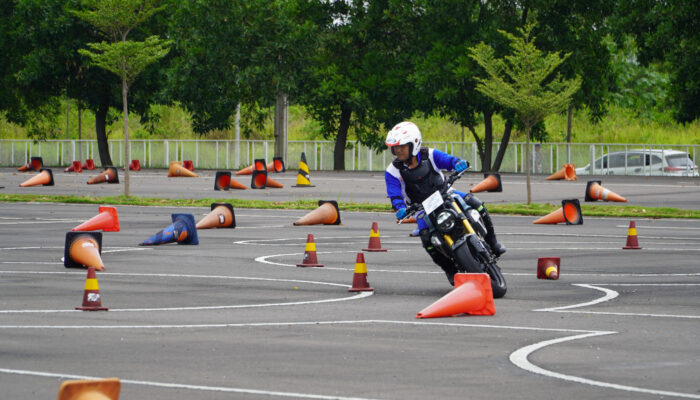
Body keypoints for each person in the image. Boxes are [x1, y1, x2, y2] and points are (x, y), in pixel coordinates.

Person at [384, 121, 505, 285]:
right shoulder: (392, 171)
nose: (398, 150)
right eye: (395, 147)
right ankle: (450, 269)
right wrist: (400, 209)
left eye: (402, 146)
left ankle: (493, 242)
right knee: (426, 239)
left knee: (475, 203)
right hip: (421, 208)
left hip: (445, 194)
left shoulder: (430, 155)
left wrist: (458, 164)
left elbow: (449, 161)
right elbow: (395, 194)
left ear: (414, 144)